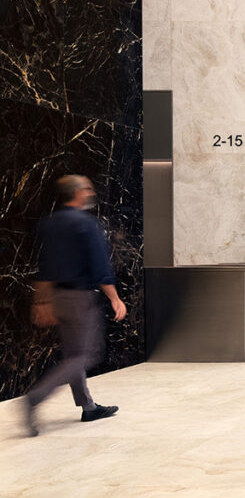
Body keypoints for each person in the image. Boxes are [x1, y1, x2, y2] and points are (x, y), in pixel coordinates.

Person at [25, 175, 127, 437]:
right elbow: (100, 266)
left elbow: (44, 266)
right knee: (85, 355)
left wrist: (42, 301)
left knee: (73, 355)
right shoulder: (86, 224)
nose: (91, 192)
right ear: (79, 193)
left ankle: (88, 406)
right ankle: (35, 397)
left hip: (58, 297)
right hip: (80, 297)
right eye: (88, 188)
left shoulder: (50, 223)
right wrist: (114, 297)